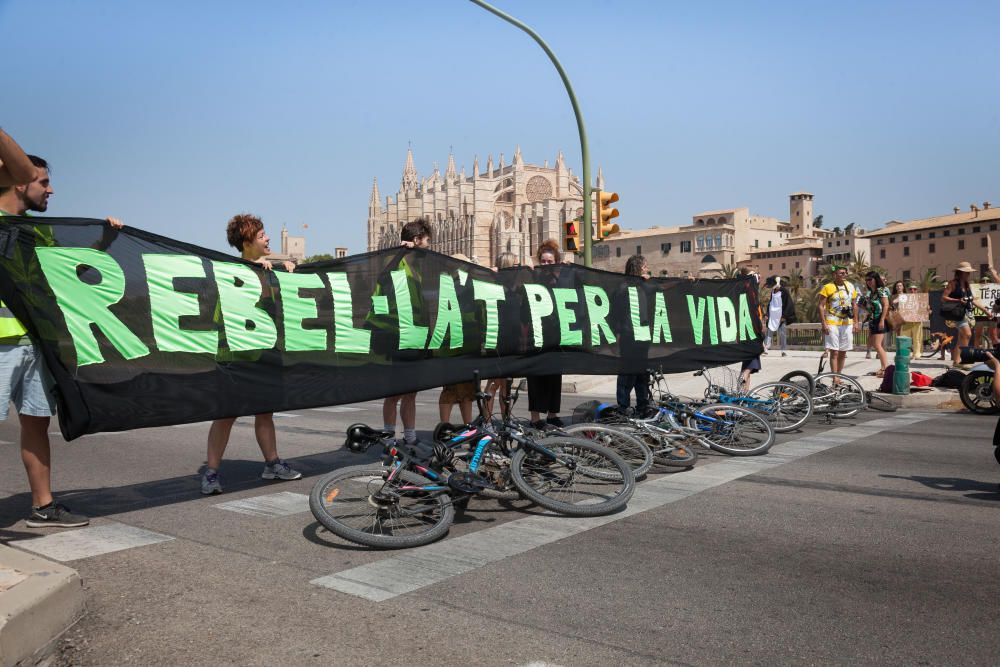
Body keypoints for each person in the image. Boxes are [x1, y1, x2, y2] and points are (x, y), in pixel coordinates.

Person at [0, 155, 123, 527]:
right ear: (21, 181)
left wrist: (104, 242)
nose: (50, 189)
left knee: (37, 422)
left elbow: (69, 275)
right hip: (1, 344)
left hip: (35, 343)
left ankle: (44, 505)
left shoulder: (42, 232)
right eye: (42, 182)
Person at [201, 215, 301, 495]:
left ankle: (272, 464)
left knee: (265, 411)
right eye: (261, 236)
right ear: (247, 242)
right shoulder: (229, 269)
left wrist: (286, 268)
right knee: (225, 415)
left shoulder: (269, 269)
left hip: (263, 352)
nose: (267, 238)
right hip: (233, 354)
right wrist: (254, 270)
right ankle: (211, 473)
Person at [382, 218, 432, 444]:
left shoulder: (420, 266)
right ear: (415, 240)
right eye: (426, 240)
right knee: (393, 393)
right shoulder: (395, 262)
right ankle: (389, 436)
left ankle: (410, 436)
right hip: (397, 336)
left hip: (416, 336)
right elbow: (384, 278)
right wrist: (401, 253)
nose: (429, 245)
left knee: (411, 391)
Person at [526, 240, 564, 429]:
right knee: (535, 377)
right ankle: (535, 418)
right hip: (536, 335)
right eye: (544, 261)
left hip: (556, 335)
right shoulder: (532, 278)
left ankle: (552, 414)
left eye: (550, 261)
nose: (546, 264)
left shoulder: (561, 281)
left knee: (554, 376)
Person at [484, 251, 520, 417]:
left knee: (506, 384)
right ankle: (487, 421)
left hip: (512, 341)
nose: (518, 268)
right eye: (515, 265)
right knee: (494, 383)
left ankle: (506, 420)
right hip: (498, 341)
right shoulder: (495, 288)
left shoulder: (515, 287)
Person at [616, 255, 651, 414]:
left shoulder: (645, 285)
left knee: (642, 374)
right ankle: (623, 407)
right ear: (636, 268)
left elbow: (664, 287)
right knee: (627, 373)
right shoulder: (624, 287)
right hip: (629, 335)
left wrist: (688, 281)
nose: (647, 269)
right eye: (644, 267)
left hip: (643, 334)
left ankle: (643, 406)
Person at [941, 261, 993, 369]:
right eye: (966, 272)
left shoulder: (966, 284)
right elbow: (943, 297)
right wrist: (958, 300)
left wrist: (986, 311)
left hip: (965, 314)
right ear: (960, 272)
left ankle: (956, 362)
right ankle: (963, 360)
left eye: (969, 272)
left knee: (961, 338)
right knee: (967, 334)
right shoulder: (953, 283)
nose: (969, 274)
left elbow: (972, 300)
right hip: (956, 313)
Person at [817, 265, 859, 375]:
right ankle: (835, 377)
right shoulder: (827, 287)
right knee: (834, 352)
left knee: (843, 352)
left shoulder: (850, 286)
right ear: (834, 275)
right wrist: (824, 323)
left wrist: (856, 322)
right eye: (841, 273)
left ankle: (839, 375)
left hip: (847, 323)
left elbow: (854, 305)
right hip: (832, 322)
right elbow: (821, 306)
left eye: (845, 273)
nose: (844, 275)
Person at [863, 272, 891, 377]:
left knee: (878, 345)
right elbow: (871, 308)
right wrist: (863, 306)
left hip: (880, 319)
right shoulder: (871, 292)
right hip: (873, 319)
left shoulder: (881, 290)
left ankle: (886, 368)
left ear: (876, 279)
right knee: (876, 345)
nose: (868, 282)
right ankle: (883, 367)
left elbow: (886, 305)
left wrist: (882, 320)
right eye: (867, 280)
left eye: (870, 279)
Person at [762, 276, 794, 356]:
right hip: (772, 316)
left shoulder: (784, 291)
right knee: (769, 333)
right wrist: (767, 314)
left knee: (782, 333)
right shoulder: (772, 291)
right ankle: (765, 349)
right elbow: (770, 303)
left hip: (781, 317)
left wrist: (784, 316)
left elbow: (789, 304)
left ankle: (783, 351)